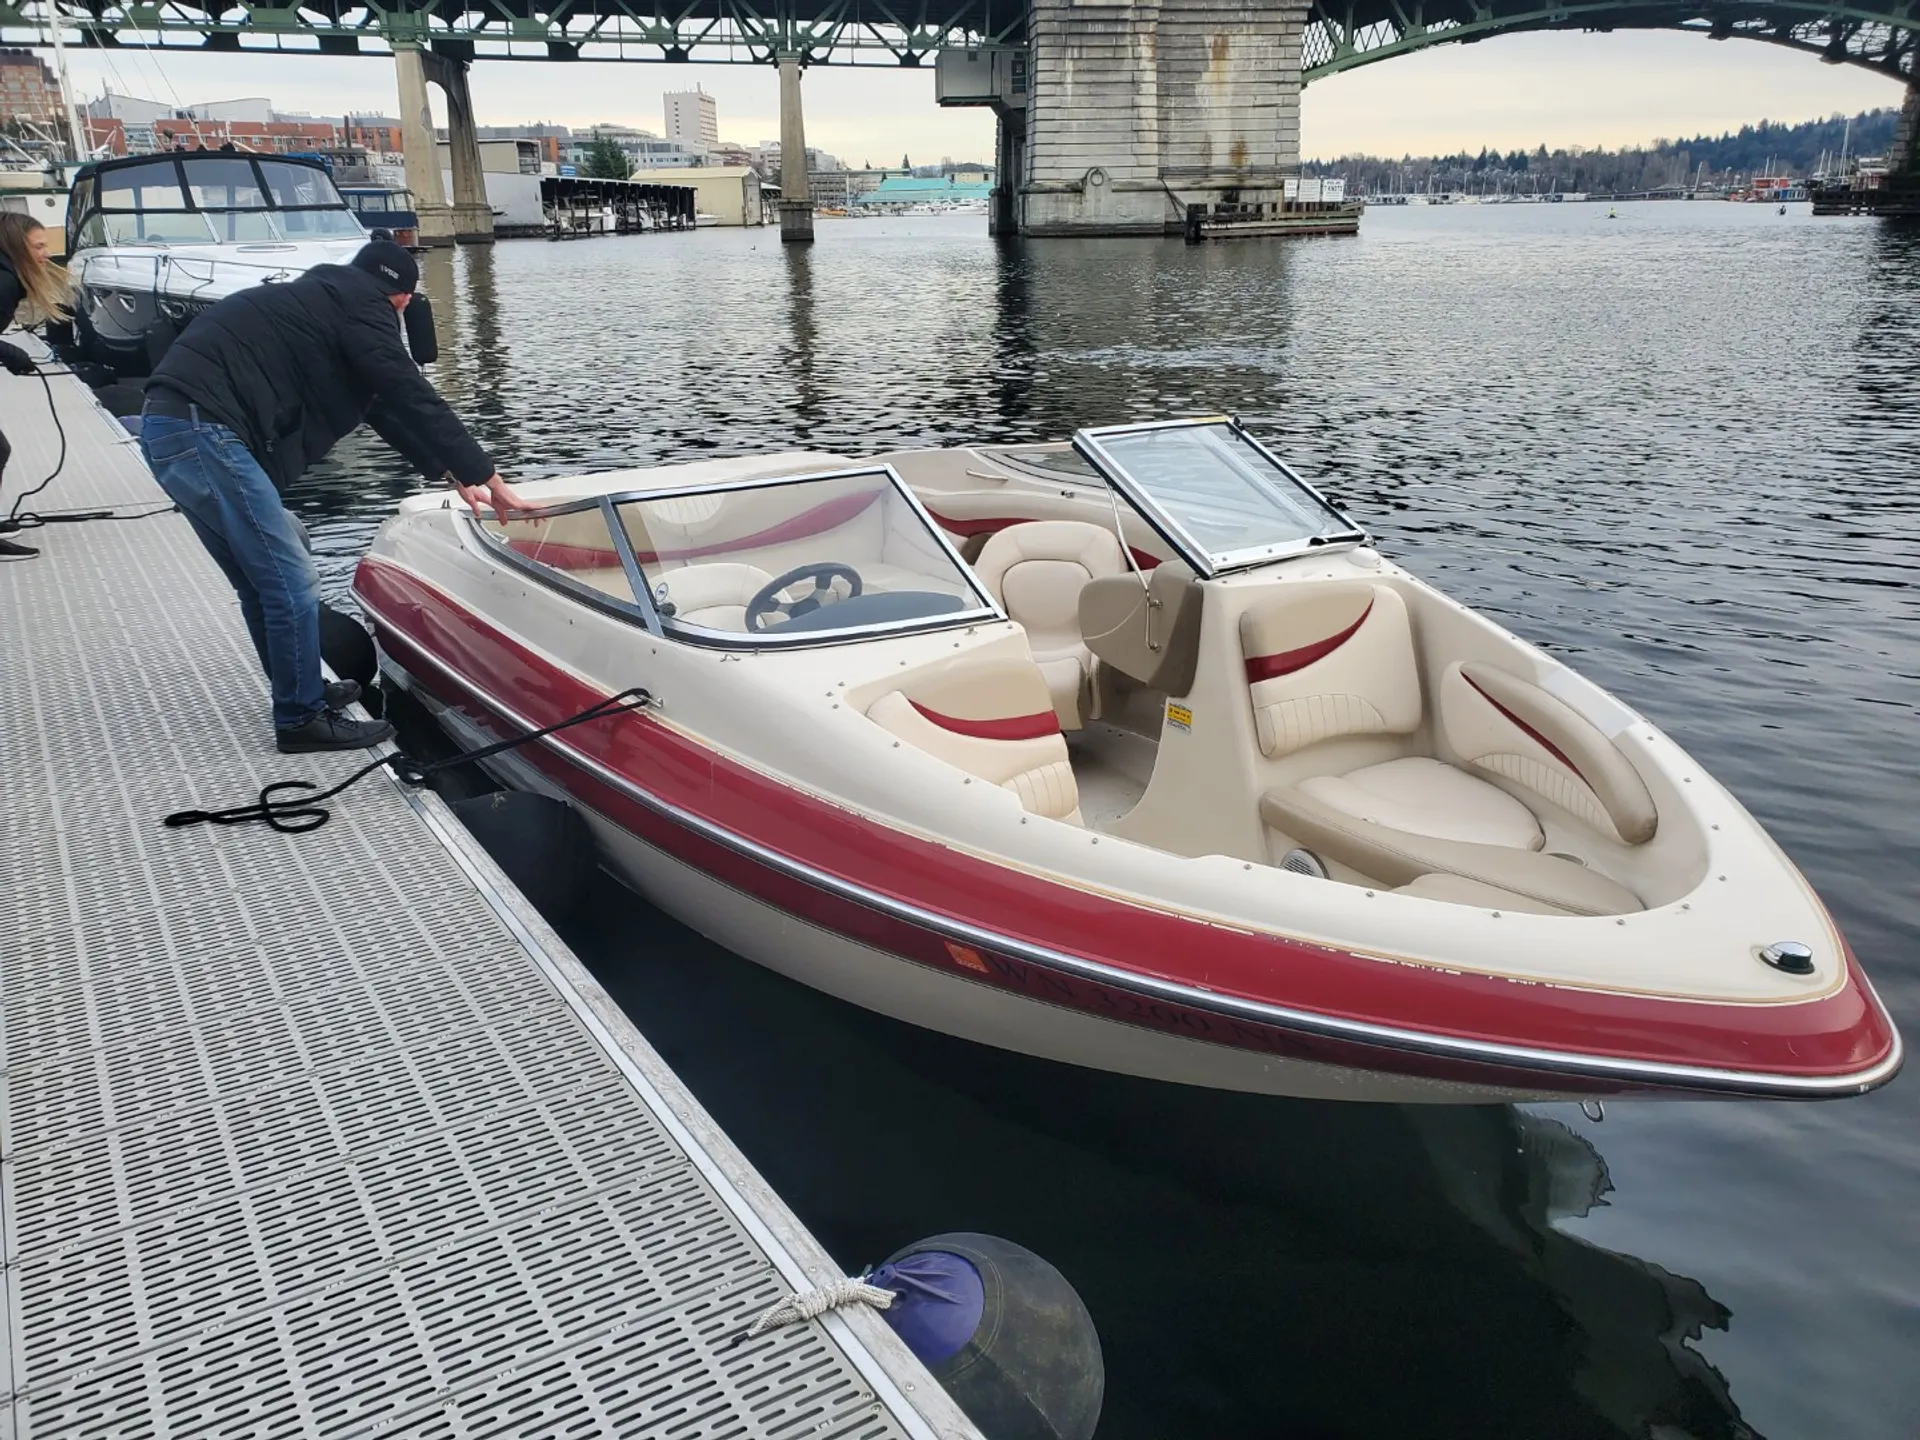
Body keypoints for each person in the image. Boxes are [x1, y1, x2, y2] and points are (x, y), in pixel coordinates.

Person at [140, 238, 536, 753]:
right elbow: (409, 390)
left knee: (260, 582)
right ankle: (301, 719)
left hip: (171, 428)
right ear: (401, 299)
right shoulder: (364, 307)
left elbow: (383, 405)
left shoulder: (322, 301)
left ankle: (302, 691)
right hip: (206, 433)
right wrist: (490, 474)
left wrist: (453, 472)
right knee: (291, 580)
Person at [0, 211, 69, 560]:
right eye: (38, 246)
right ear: (16, 246)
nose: (46, 253)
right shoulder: (4, 281)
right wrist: (9, 353)